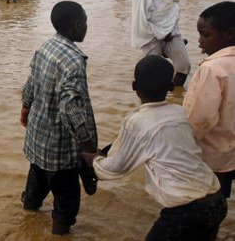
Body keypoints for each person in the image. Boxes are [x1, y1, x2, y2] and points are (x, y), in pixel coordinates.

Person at [82, 55, 226, 241]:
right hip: (216, 199)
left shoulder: (137, 121)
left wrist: (94, 160)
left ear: (134, 86)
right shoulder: (181, 113)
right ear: (171, 87)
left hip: (186, 209)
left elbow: (117, 167)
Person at [20, 1, 97, 235]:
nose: (86, 25)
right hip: (61, 150)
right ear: (76, 25)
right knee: (66, 204)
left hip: (38, 139)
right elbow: (71, 109)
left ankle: (27, 220)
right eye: (84, 21)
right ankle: (59, 234)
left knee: (36, 184)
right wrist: (87, 148)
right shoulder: (74, 61)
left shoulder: (46, 47)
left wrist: (25, 106)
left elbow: (31, 81)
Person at [183, 1, 235, 199]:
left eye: (205, 35)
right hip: (231, 155)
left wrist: (181, 147)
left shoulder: (212, 69)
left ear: (228, 34)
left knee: (206, 203)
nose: (199, 41)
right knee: (220, 199)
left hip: (211, 157)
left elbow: (199, 119)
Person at [131, 0, 190, 86]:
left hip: (172, 34)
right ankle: (154, 101)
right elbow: (140, 19)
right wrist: (160, 34)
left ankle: (174, 94)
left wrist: (169, 31)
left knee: (184, 66)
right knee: (152, 73)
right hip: (152, 36)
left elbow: (172, 11)